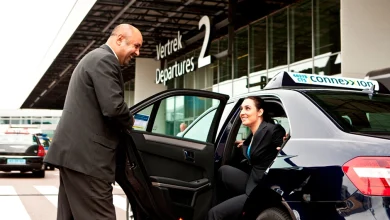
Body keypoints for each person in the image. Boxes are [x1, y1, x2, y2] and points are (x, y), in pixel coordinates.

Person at [44, 24, 143, 220]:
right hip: (89, 161)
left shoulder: (95, 58)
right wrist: (133, 122)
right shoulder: (105, 60)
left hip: (76, 158)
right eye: (136, 46)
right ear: (120, 39)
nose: (138, 52)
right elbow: (113, 108)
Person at [207, 96, 286, 220]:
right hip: (252, 180)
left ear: (260, 112)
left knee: (214, 213)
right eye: (241, 109)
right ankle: (227, 206)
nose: (242, 112)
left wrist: (285, 144)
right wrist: (244, 144)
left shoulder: (273, 130)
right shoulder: (252, 136)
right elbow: (256, 147)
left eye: (247, 108)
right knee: (223, 171)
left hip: (261, 190)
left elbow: (281, 147)